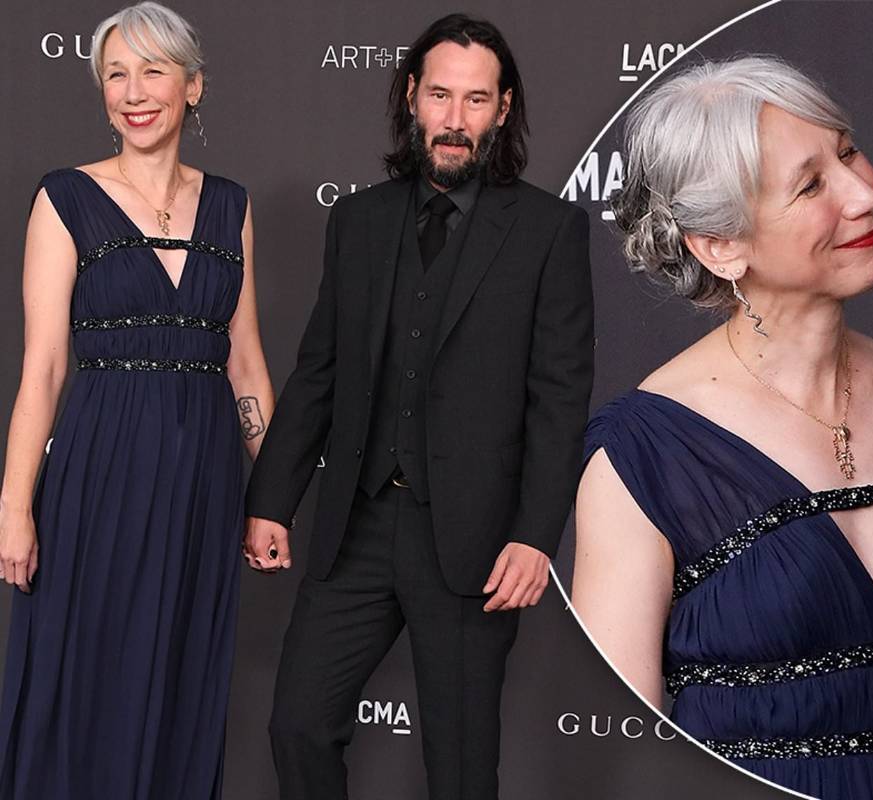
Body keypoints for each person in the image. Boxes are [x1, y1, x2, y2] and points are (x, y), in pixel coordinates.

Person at [572, 56, 873, 800]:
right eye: (811, 184)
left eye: (848, 153)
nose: (865, 192)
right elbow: (622, 755)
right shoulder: (642, 453)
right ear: (720, 245)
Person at [242, 13, 593, 800]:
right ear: (411, 97)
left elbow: (560, 398)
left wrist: (536, 536)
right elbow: (318, 373)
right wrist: (272, 501)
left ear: (503, 110)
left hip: (473, 541)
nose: (455, 119)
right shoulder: (359, 221)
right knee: (296, 725)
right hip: (358, 528)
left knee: (462, 770)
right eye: (440, 95)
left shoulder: (548, 232)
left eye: (476, 100)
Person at [0, 3, 273, 798]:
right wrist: (16, 508)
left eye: (152, 70)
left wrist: (278, 496)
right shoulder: (65, 199)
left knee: (182, 673)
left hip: (202, 483)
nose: (133, 91)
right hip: (100, 471)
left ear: (193, 86)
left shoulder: (230, 205)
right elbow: (44, 367)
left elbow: (247, 364)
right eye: (116, 73)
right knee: (87, 672)